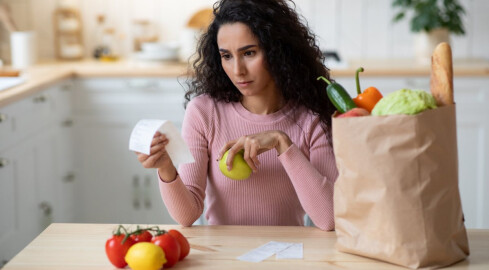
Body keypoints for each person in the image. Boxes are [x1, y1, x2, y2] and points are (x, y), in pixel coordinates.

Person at [136, 0, 338, 231]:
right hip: (222, 256)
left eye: (249, 53)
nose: (237, 70)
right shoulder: (204, 112)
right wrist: (166, 168)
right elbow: (187, 215)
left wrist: (282, 142)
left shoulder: (312, 118)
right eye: (227, 56)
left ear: (278, 51)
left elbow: (329, 218)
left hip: (288, 254)